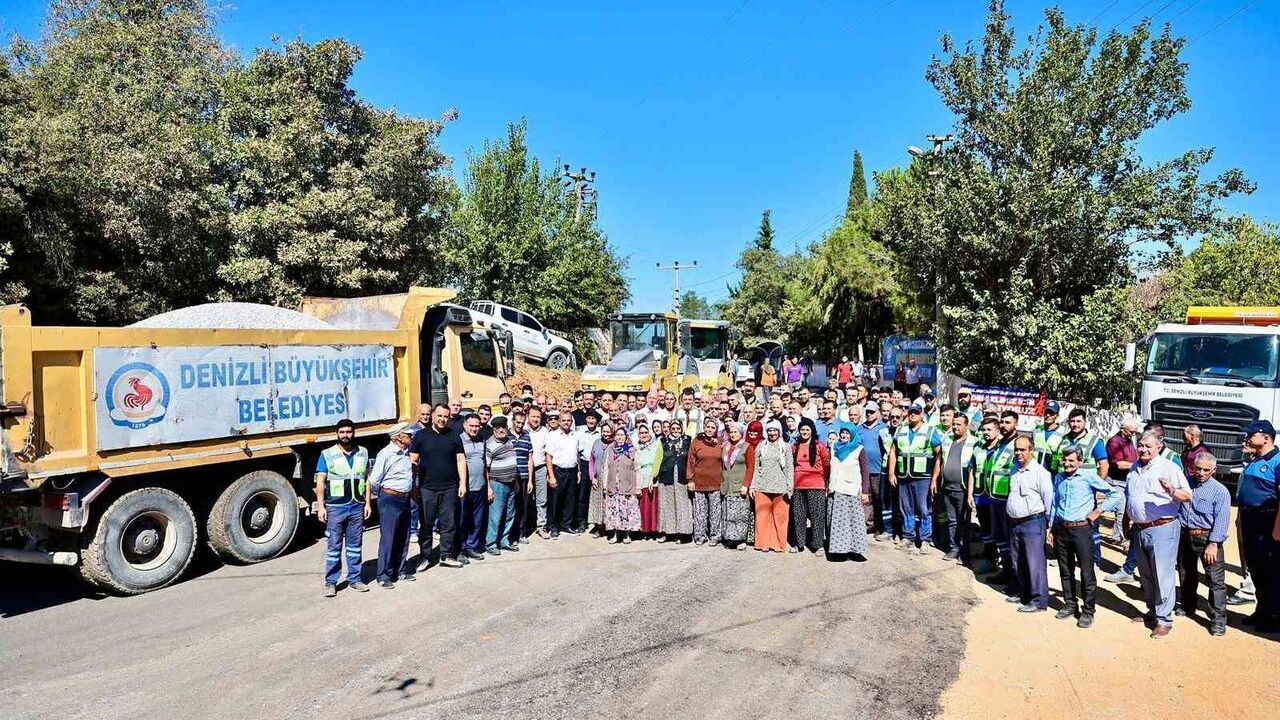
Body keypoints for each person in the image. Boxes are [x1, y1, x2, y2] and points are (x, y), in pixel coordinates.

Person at [1126, 430, 1193, 638]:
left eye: (1148, 446)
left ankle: (1164, 620)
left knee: (1162, 574)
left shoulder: (1169, 468)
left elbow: (1187, 495)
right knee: (1146, 574)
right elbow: (1130, 496)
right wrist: (1127, 520)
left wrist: (1171, 490)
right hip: (1139, 528)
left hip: (1163, 528)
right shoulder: (1135, 467)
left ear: (1159, 447)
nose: (1143, 449)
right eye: (1141, 445)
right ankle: (1153, 611)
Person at [1049, 446, 1123, 627]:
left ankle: (1088, 611)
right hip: (1061, 529)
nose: (1067, 463)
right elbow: (1054, 503)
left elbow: (1115, 495)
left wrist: (1098, 511)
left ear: (1080, 462)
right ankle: (1070, 604)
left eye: (1071, 460)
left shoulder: (1088, 477)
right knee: (1065, 570)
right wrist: (1050, 527)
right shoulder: (1059, 478)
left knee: (1086, 571)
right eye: (1065, 460)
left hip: (1082, 530)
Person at [1178, 452, 1231, 636]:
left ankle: (1218, 620)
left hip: (1207, 538)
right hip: (1185, 535)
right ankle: (1188, 605)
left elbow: (1222, 519)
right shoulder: (1185, 483)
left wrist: (1214, 543)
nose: (1201, 473)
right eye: (1198, 468)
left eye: (1206, 470)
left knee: (1215, 580)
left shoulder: (1220, 491)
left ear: (1213, 470)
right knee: (1186, 574)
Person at [317, 419, 371, 596]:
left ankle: (355, 579)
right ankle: (331, 582)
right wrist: (321, 507)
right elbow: (320, 482)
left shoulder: (363, 452)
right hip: (336, 507)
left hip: (357, 506)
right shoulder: (327, 454)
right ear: (337, 434)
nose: (345, 435)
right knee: (334, 546)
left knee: (355, 545)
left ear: (353, 433)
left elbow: (367, 479)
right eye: (342, 432)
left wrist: (368, 503)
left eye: (348, 432)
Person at [1237, 420, 1280, 632]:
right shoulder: (1255, 459)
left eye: (1252, 434)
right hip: (1250, 520)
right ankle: (1262, 610)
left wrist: (1277, 528)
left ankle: (1274, 617)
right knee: (1255, 567)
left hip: (1267, 521)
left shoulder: (1277, 461)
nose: (1247, 438)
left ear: (1266, 438)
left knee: (1271, 570)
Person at [411, 405, 466, 570]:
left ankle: (446, 555)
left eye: (446, 416)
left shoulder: (454, 435)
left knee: (448, 524)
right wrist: (413, 486)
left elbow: (461, 460)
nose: (442, 419)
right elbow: (413, 461)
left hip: (450, 488)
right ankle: (425, 557)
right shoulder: (421, 436)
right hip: (427, 488)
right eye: (440, 416)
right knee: (426, 524)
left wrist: (463, 483)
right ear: (433, 416)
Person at [1005, 436, 1053, 613]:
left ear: (1031, 450)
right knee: (1018, 560)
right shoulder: (1014, 470)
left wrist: (1049, 525)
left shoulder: (1040, 473)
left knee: (1035, 563)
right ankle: (1023, 593)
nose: (1018, 453)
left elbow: (1049, 499)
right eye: (1016, 449)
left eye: (1022, 450)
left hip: (1033, 522)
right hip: (1014, 522)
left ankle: (1038, 601)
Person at [888, 401, 943, 555]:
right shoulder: (901, 430)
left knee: (924, 509)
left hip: (923, 478)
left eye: (916, 412)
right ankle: (908, 537)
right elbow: (893, 452)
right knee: (906, 508)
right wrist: (891, 473)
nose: (913, 414)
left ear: (922, 415)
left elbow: (939, 455)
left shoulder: (930, 430)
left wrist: (934, 479)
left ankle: (925, 539)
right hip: (904, 477)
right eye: (911, 412)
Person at [370, 423, 416, 588]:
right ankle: (383, 574)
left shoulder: (405, 453)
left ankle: (400, 569)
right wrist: (385, 494)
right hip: (390, 498)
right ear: (399, 437)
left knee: (404, 535)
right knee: (388, 537)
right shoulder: (386, 454)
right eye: (408, 434)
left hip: (405, 498)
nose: (411, 437)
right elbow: (374, 480)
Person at [747, 420, 793, 552]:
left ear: (779, 431)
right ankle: (763, 543)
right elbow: (756, 467)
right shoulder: (761, 446)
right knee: (762, 517)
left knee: (780, 518)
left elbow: (789, 468)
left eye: (774, 430)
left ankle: (778, 544)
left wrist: (790, 488)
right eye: (769, 430)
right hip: (762, 486)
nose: (772, 433)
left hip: (780, 487)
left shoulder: (785, 447)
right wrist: (753, 486)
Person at [935, 413, 976, 562]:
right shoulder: (947, 440)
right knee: (952, 520)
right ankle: (954, 548)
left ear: (966, 426)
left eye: (959, 424)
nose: (955, 427)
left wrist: (971, 492)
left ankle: (965, 552)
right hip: (947, 487)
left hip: (963, 489)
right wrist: (934, 480)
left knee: (963, 521)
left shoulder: (974, 442)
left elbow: (974, 468)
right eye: (954, 424)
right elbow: (939, 460)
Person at [828, 424, 871, 557]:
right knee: (838, 523)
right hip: (835, 490)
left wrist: (865, 492)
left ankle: (855, 550)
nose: (844, 435)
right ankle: (839, 550)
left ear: (852, 435)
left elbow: (865, 471)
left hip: (851, 490)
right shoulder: (834, 447)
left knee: (853, 522)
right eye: (842, 432)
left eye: (847, 433)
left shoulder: (859, 449)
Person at [790, 417, 831, 554]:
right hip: (798, 485)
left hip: (816, 485)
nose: (805, 432)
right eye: (802, 429)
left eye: (807, 429)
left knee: (817, 516)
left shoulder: (820, 446)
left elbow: (826, 464)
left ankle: (818, 545)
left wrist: (825, 482)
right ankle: (799, 543)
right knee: (799, 515)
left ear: (812, 431)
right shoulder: (795, 446)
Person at [455, 415, 490, 563]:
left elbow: (484, 464)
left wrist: (488, 486)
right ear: (465, 426)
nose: (474, 429)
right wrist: (460, 484)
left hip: (480, 486)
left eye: (477, 426)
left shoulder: (482, 440)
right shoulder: (458, 440)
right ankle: (460, 549)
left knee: (477, 520)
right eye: (471, 426)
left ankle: (472, 546)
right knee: (462, 520)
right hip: (464, 488)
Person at [687, 418, 725, 545]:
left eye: (713, 428)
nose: (709, 429)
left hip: (716, 482)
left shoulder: (721, 443)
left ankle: (715, 535)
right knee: (700, 511)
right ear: (704, 427)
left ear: (716, 430)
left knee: (715, 511)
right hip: (699, 482)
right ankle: (700, 535)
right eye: (707, 427)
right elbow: (691, 461)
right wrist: (690, 479)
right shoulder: (696, 442)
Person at [857, 401, 891, 541]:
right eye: (868, 412)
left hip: (878, 470)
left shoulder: (884, 428)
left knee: (878, 499)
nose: (869, 414)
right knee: (864, 499)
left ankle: (879, 526)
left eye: (872, 412)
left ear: (878, 413)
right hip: (862, 470)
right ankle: (865, 525)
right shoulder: (859, 428)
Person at [1104, 417, 1138, 549]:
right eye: (1131, 432)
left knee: (1125, 510)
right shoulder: (1114, 442)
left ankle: (1116, 536)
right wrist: (1137, 465)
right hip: (1116, 480)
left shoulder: (1129, 441)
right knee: (1121, 509)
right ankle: (1124, 539)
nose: (1133, 434)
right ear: (1123, 430)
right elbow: (1119, 464)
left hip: (1127, 480)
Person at [657, 420, 694, 541]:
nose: (675, 431)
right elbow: (658, 459)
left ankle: (683, 533)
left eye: (678, 428)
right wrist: (653, 476)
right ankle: (669, 532)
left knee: (682, 504)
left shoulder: (688, 440)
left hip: (682, 476)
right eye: (673, 429)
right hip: (667, 475)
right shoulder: (664, 441)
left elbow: (692, 459)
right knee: (668, 505)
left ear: (682, 429)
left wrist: (691, 477)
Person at [545, 411, 579, 538]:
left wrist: (579, 471)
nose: (566, 423)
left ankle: (566, 525)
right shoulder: (553, 436)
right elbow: (548, 457)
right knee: (555, 500)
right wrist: (551, 476)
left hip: (572, 470)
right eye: (563, 420)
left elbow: (577, 454)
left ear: (571, 422)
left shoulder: (575, 435)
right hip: (558, 471)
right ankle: (553, 527)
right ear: (559, 421)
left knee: (570, 500)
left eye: (568, 420)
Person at [603, 428, 641, 543]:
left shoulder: (631, 450)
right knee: (614, 511)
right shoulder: (610, 450)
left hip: (627, 485)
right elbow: (606, 468)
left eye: (622, 435)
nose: (619, 437)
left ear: (626, 436)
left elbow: (637, 469)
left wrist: (638, 487)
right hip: (613, 486)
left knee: (626, 511)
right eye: (617, 435)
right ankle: (615, 534)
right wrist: (605, 486)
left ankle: (626, 535)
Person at [720, 423, 754, 549]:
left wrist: (746, 484)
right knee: (728, 514)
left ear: (741, 433)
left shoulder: (746, 447)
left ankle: (740, 539)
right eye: (731, 432)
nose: (733, 434)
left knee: (740, 515)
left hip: (740, 485)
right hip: (727, 486)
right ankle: (730, 538)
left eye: (735, 432)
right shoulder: (725, 446)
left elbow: (751, 467)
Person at [524, 407, 551, 540]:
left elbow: (547, 452)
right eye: (533, 416)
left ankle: (541, 526)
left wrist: (548, 472)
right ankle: (525, 527)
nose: (535, 419)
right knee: (525, 499)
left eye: (538, 417)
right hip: (524, 469)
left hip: (540, 468)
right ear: (528, 416)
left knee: (541, 500)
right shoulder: (522, 430)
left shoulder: (545, 431)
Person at [508, 410, 533, 546]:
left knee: (523, 506)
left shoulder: (526, 436)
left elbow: (530, 458)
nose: (520, 425)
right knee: (512, 507)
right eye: (517, 422)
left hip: (524, 476)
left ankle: (522, 533)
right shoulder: (507, 436)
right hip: (511, 478)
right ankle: (511, 535)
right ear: (512, 421)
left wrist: (530, 480)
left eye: (522, 423)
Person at [575, 412, 602, 533]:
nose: (591, 421)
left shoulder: (601, 432)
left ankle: (597, 522)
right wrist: (579, 469)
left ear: (597, 421)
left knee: (597, 494)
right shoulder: (580, 432)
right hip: (585, 464)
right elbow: (577, 452)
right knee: (583, 494)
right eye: (589, 418)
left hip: (598, 464)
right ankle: (582, 521)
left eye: (593, 419)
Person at [635, 423, 663, 536]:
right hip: (642, 478)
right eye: (641, 433)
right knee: (644, 506)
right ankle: (645, 530)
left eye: (646, 432)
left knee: (654, 506)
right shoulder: (636, 447)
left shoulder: (657, 445)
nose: (644, 435)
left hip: (654, 478)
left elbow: (658, 461)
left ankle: (655, 530)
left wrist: (653, 475)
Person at [587, 422, 612, 536]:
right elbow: (591, 461)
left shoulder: (616, 443)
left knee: (608, 503)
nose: (606, 434)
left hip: (610, 479)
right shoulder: (596, 442)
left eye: (608, 431)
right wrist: (592, 477)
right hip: (597, 478)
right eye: (604, 431)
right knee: (597, 503)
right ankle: (598, 526)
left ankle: (608, 527)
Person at [1032, 401, 1066, 475]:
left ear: (1057, 415)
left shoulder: (1063, 432)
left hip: (1052, 473)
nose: (1048, 415)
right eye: (1046, 412)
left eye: (1051, 413)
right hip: (1035, 472)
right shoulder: (1036, 430)